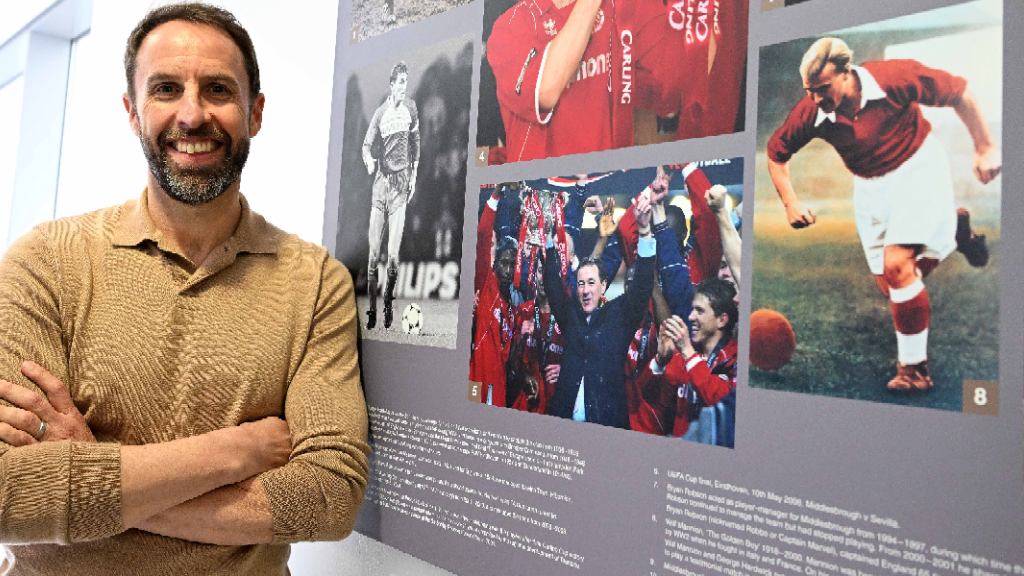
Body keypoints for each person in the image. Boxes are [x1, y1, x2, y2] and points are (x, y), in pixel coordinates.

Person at [0, 5, 369, 573]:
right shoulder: (45, 262)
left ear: (256, 113)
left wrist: (87, 467)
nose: (192, 115)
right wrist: (236, 453)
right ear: (132, 111)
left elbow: (327, 500)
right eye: (166, 89)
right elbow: (9, 494)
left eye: (218, 89)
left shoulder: (316, 282)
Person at [766, 37, 1000, 391]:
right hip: (869, 188)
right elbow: (776, 153)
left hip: (917, 168)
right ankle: (953, 232)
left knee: (897, 267)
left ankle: (914, 370)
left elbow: (958, 92)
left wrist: (984, 146)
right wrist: (790, 202)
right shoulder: (811, 112)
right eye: (809, 91)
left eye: (823, 89)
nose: (815, 99)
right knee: (894, 289)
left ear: (846, 73)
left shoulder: (894, 78)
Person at [543, 195, 655, 429]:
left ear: (603, 286)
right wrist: (548, 239)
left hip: (606, 427)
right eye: (581, 283)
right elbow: (553, 285)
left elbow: (643, 285)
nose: (585, 290)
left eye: (591, 283)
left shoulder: (620, 316)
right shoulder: (570, 315)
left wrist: (645, 232)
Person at [363, 61, 420, 329]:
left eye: (406, 82)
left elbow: (416, 143)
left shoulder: (411, 108)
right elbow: (366, 145)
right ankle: (372, 309)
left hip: (401, 185)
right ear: (391, 85)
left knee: (393, 255)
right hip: (381, 185)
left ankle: (387, 302)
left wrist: (414, 176)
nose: (403, 87)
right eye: (400, 83)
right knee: (374, 254)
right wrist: (368, 161)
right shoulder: (380, 114)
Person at [649, 278, 738, 445]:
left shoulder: (734, 360)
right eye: (692, 310)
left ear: (722, 320)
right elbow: (658, 403)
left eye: (700, 311)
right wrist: (661, 361)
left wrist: (688, 352)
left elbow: (721, 403)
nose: (690, 317)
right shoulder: (686, 353)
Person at [470, 186, 517, 407]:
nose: (508, 271)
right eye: (504, 264)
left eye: (512, 265)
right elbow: (482, 234)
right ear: (494, 264)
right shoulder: (486, 284)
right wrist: (496, 195)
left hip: (499, 391)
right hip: (477, 385)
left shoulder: (513, 309)